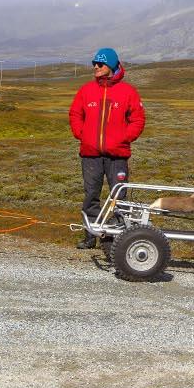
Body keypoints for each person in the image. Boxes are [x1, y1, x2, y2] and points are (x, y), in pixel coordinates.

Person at [69, 47, 144, 248]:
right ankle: (90, 235)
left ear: (110, 65)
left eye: (100, 64)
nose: (95, 67)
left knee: (119, 196)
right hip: (90, 154)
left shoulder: (128, 91)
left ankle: (115, 238)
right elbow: (75, 114)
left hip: (117, 156)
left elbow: (137, 119)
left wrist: (124, 138)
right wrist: (82, 134)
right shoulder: (86, 90)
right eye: (94, 63)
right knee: (91, 194)